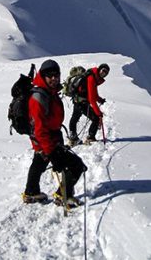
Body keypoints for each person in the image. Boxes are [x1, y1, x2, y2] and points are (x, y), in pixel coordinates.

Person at [23, 59, 87, 206]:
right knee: (76, 166)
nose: (54, 78)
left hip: (46, 139)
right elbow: (39, 128)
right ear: (43, 76)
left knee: (39, 163)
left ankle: (31, 192)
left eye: (56, 75)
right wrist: (52, 152)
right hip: (46, 140)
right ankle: (63, 195)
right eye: (50, 75)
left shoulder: (50, 92)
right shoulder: (38, 97)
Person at [68, 63, 110, 145]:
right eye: (103, 70)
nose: (104, 73)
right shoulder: (91, 78)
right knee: (96, 118)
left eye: (106, 73)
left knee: (75, 118)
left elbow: (94, 94)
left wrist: (99, 99)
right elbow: (91, 99)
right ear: (99, 69)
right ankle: (90, 138)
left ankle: (73, 138)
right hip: (82, 102)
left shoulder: (94, 78)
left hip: (77, 100)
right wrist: (99, 113)